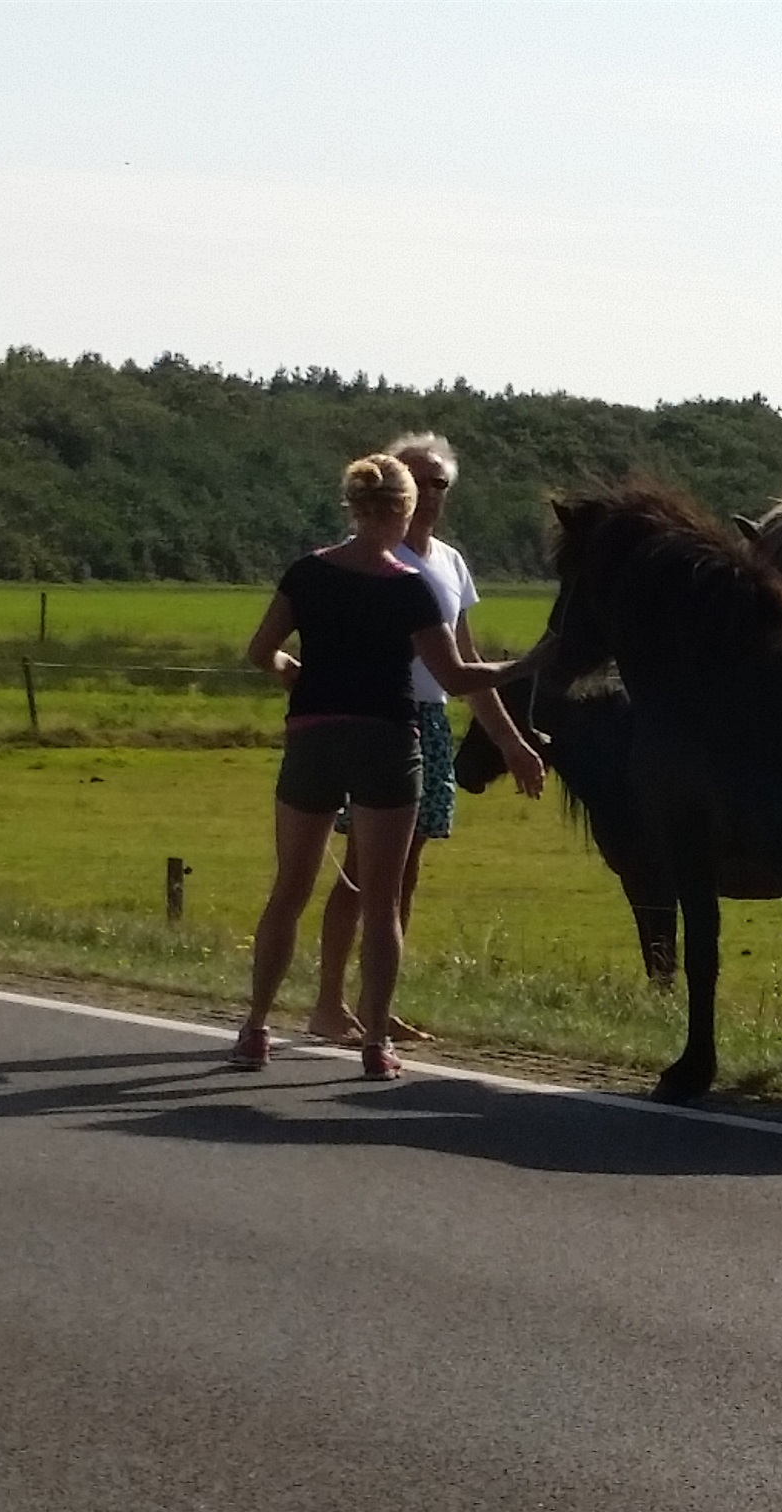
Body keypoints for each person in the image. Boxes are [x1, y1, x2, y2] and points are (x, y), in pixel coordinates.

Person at [231, 452, 531, 1080]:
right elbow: (453, 674)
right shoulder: (410, 585)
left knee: (290, 887)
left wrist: (299, 679)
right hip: (389, 740)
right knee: (384, 900)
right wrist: (528, 666)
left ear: (352, 505)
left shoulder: (307, 573)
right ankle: (374, 1042)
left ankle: (256, 1026)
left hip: (313, 735)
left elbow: (263, 652)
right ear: (405, 508)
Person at [304, 431, 544, 1045]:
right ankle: (329, 1003)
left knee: (404, 872)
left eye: (439, 483)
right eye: (418, 482)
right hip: (377, 716)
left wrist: (512, 743)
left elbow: (465, 663)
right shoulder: (367, 560)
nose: (428, 494)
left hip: (428, 722)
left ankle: (377, 1002)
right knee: (362, 869)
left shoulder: (448, 563)